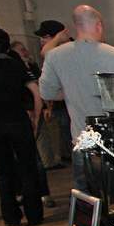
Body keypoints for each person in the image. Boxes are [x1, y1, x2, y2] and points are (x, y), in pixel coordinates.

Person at [39, 5, 114, 192]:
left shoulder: (55, 56)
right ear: (99, 26)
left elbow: (47, 94)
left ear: (75, 26)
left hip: (82, 138)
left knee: (87, 193)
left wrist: (71, 92)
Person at [0, 27, 43, 226]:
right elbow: (36, 93)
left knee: (2, 171)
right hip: (18, 119)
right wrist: (36, 116)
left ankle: (11, 217)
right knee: (28, 169)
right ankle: (34, 215)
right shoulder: (16, 64)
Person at [11, 41, 58, 208]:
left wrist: (38, 113)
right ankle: (24, 194)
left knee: (36, 159)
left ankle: (43, 194)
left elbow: (39, 93)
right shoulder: (17, 69)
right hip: (23, 118)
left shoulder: (28, 68)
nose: (25, 52)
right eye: (21, 50)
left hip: (28, 117)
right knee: (25, 160)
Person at [34, 20, 73, 160]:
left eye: (44, 37)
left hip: (70, 105)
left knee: (77, 147)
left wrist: (57, 39)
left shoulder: (66, 50)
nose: (42, 40)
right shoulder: (61, 52)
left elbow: (45, 52)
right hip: (62, 104)